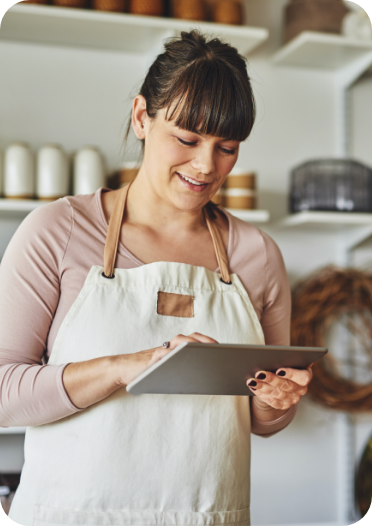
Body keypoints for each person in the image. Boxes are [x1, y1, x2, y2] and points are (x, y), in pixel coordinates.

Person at [0, 31, 312, 526]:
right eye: (187, 139)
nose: (206, 166)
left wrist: (276, 403)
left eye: (227, 147)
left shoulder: (257, 257)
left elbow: (260, 420)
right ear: (142, 117)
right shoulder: (58, 232)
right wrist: (124, 368)